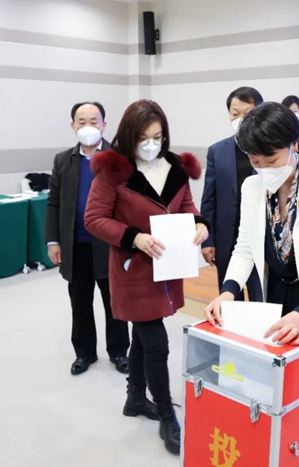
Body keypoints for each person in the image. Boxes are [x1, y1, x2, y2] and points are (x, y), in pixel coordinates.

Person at [204, 103, 299, 467]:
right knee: (280, 392)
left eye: (270, 159)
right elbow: (245, 246)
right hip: (276, 298)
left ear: (294, 143)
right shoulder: (252, 186)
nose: (263, 168)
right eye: (254, 160)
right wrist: (228, 290)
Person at [84, 99, 209, 455]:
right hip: (134, 270)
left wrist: (200, 225)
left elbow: (188, 208)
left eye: (158, 137)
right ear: (129, 136)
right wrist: (133, 237)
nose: (152, 145)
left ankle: (135, 398)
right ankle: (167, 412)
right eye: (144, 138)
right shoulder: (113, 172)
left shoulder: (175, 167)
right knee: (156, 343)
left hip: (168, 267)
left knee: (142, 336)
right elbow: (94, 219)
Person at [45, 102, 130, 376]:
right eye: (81, 121)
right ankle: (84, 353)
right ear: (72, 126)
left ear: (104, 124)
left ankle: (119, 351)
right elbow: (54, 202)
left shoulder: (119, 157)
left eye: (94, 121)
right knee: (80, 303)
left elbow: (129, 202)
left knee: (114, 302)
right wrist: (53, 241)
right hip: (75, 245)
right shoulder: (63, 160)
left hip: (110, 244)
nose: (88, 126)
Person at [200, 86, 264, 302]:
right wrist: (207, 241)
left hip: (259, 238)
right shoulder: (217, 151)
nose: (241, 120)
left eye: (247, 114)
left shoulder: (269, 150)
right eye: (235, 114)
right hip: (227, 237)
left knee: (260, 297)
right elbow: (209, 199)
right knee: (229, 298)